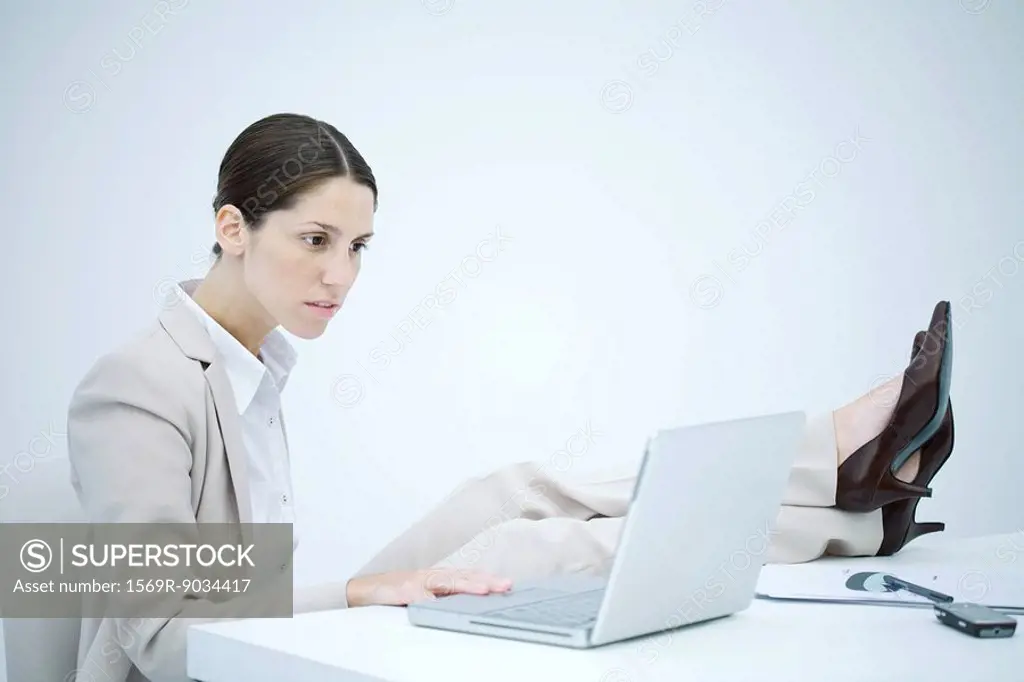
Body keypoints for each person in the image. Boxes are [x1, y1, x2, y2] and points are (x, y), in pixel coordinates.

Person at [66, 112, 955, 682]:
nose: (341, 275)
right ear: (232, 229)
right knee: (530, 547)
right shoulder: (137, 385)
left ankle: (840, 457)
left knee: (510, 492)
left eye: (359, 246)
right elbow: (161, 633)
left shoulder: (252, 367)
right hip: (209, 664)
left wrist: (358, 590)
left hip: (265, 630)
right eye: (315, 239)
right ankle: (857, 504)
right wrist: (362, 591)